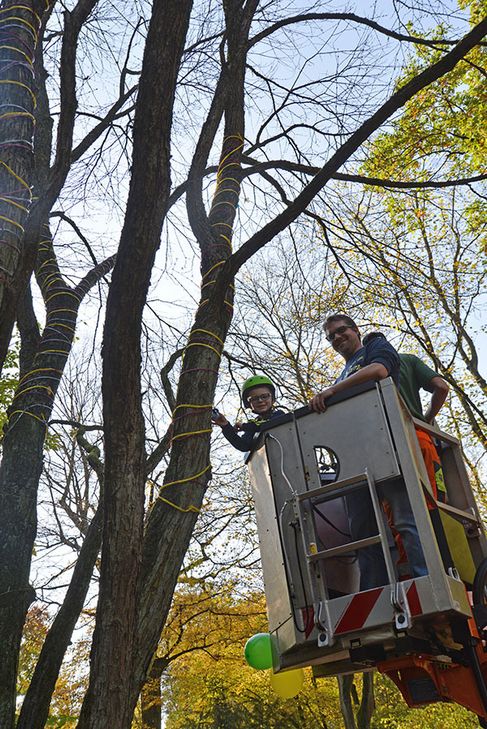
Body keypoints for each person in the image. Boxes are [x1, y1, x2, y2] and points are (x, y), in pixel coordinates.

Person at [309, 314, 427, 590]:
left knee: (405, 519)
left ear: (355, 330)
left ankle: (423, 579)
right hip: (354, 459)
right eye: (331, 337)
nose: (337, 338)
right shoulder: (343, 374)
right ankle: (375, 590)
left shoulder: (376, 348)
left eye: (341, 331)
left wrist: (331, 391)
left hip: (387, 445)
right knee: (362, 529)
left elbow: (379, 372)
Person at [212, 375, 285, 452]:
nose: (260, 400)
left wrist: (244, 426)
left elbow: (267, 426)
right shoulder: (253, 424)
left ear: (272, 398)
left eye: (264, 396)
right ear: (248, 404)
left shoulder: (279, 415)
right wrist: (226, 426)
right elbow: (243, 446)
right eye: (254, 398)